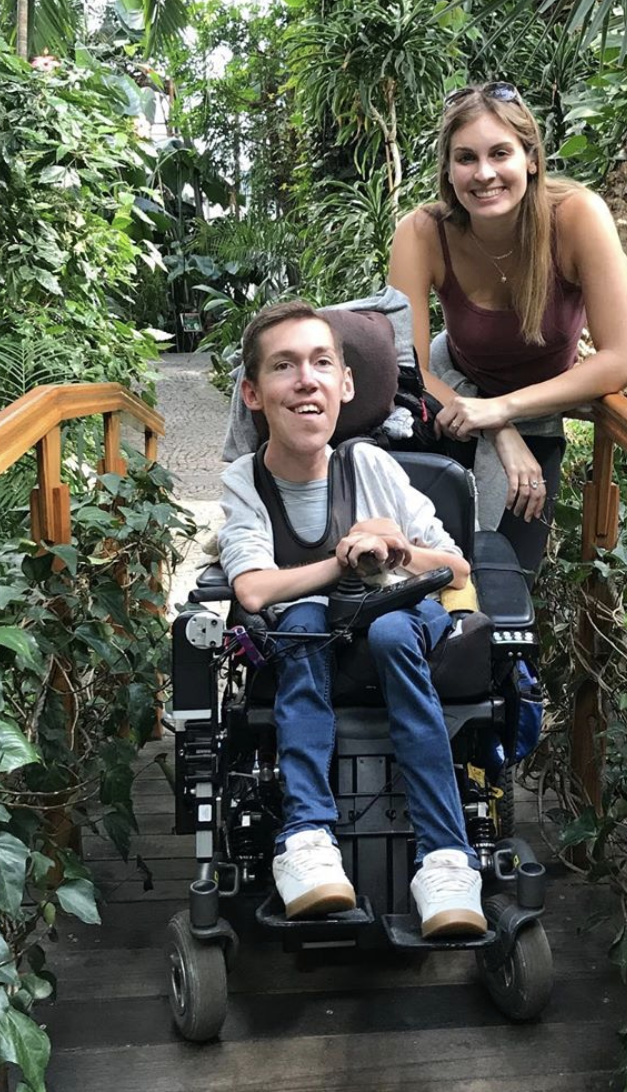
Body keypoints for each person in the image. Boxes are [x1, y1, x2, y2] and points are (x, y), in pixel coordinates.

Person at [217, 300, 486, 938]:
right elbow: (254, 591)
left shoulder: (369, 465)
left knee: (394, 631)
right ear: (253, 394)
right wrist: (343, 560)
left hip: (396, 621)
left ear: (346, 385)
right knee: (303, 616)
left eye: (321, 363)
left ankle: (445, 857)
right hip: (309, 637)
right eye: (285, 367)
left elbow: (455, 566)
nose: (305, 379)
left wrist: (394, 547)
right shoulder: (244, 481)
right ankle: (307, 837)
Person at [388, 82, 627, 573]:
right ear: (448, 169)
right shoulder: (422, 231)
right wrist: (496, 427)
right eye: (465, 158)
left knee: (507, 574)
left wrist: (503, 410)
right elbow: (407, 366)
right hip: (444, 395)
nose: (484, 174)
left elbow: (622, 359)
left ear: (530, 158)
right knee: (421, 563)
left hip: (536, 407)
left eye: (500, 153)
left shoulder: (575, 216)